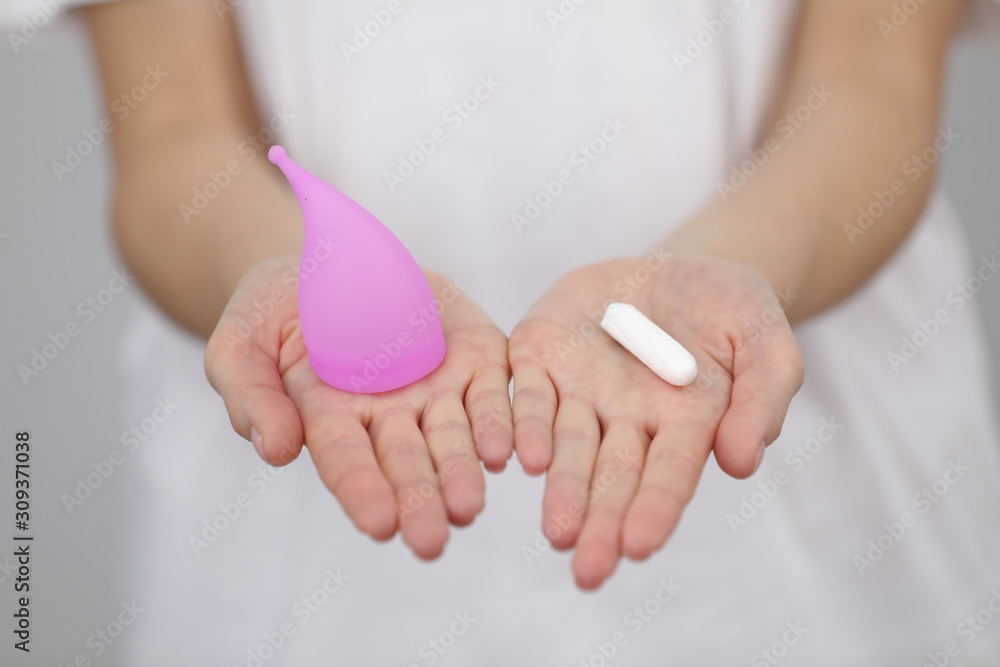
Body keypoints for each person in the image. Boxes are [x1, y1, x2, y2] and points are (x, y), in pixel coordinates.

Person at [16, 0, 1000, 663]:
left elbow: (871, 89)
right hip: (299, 592)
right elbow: (173, 134)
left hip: (824, 568)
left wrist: (738, 267)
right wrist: (276, 274)